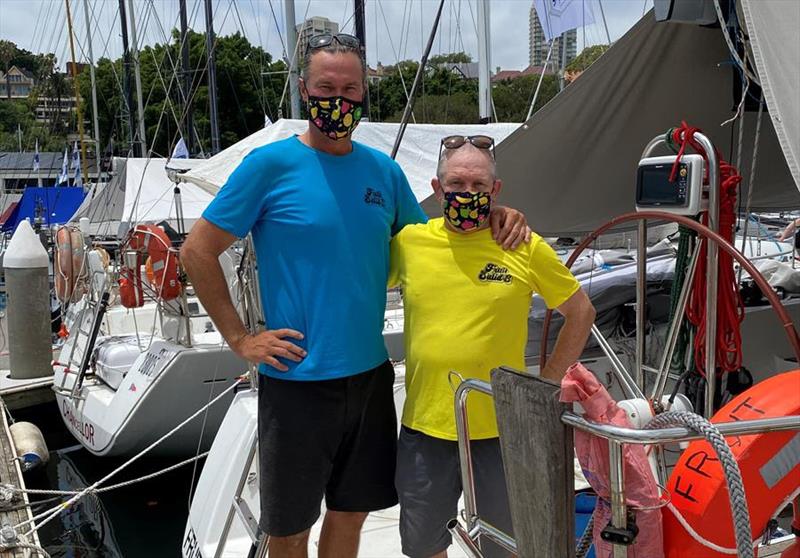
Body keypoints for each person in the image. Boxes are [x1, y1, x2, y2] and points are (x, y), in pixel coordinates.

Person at [181, 35, 530, 558]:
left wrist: (495, 214)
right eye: (326, 87)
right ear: (304, 90)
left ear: (364, 94)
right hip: (296, 381)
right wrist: (239, 338)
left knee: (350, 517)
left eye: (350, 89)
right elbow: (197, 251)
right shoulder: (268, 166)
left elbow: (437, 242)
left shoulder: (383, 173)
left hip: (369, 379)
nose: (338, 100)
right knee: (290, 530)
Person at [389, 135, 596, 558]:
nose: (467, 194)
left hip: (503, 431)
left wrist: (546, 387)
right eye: (456, 185)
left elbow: (581, 313)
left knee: (504, 549)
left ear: (495, 191)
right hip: (426, 427)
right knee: (424, 547)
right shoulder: (408, 245)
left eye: (478, 187)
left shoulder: (522, 245)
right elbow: (358, 281)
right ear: (436, 188)